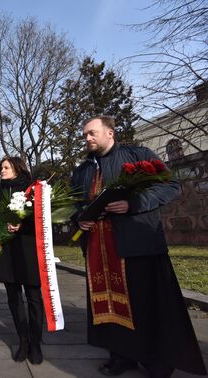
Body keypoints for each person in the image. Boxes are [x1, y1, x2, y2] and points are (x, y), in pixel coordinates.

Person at [71, 115, 206, 377]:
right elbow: (77, 204)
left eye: (92, 133)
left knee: (144, 303)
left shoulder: (137, 155)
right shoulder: (83, 170)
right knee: (108, 306)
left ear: (110, 133)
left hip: (136, 245)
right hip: (100, 250)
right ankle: (121, 356)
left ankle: (156, 360)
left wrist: (133, 204)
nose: (87, 138)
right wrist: (80, 219)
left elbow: (170, 185)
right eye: (85, 134)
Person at [0, 157, 44, 364]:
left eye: (6, 167)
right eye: (0, 167)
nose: (1, 170)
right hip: (6, 249)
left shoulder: (32, 189)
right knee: (13, 297)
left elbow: (41, 218)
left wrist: (22, 225)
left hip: (27, 248)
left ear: (18, 169)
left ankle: (36, 343)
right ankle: (23, 340)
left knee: (34, 298)